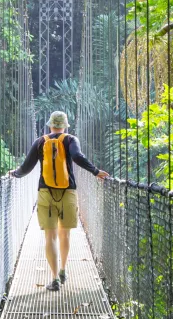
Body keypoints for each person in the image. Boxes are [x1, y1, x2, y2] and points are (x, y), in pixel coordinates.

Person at [10, 111, 109, 291]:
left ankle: (54, 279)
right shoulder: (71, 139)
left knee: (50, 236)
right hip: (68, 191)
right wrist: (95, 171)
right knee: (65, 234)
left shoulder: (40, 142)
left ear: (50, 125)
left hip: (46, 192)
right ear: (65, 125)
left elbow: (26, 167)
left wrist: (14, 174)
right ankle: (63, 270)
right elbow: (77, 157)